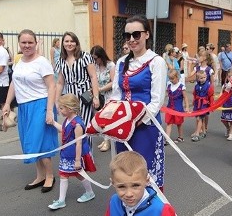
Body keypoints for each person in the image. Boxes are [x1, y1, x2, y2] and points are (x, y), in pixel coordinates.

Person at [109, 15, 168, 188]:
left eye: (136, 34)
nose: (132, 40)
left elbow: (157, 101)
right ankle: (129, 209)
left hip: (145, 126)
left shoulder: (156, 62)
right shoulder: (121, 62)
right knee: (124, 169)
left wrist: (136, 121)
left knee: (144, 170)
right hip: (123, 126)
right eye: (128, 36)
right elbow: (116, 94)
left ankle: (148, 211)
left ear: (147, 35)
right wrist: (109, 117)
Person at [1, 30, 58, 193]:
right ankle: (39, 176)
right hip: (24, 107)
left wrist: (49, 111)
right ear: (19, 43)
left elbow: (52, 86)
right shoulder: (19, 62)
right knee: (30, 143)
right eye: (23, 42)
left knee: (42, 142)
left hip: (40, 105)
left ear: (35, 43)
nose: (26, 45)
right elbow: (14, 83)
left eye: (30, 42)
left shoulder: (42, 62)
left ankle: (49, 176)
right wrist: (6, 104)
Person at [102, 151, 189, 216]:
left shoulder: (160, 210)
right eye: (121, 187)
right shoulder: (114, 202)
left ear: (147, 180)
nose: (129, 193)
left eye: (135, 185)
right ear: (113, 183)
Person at [47, 93, 97, 210]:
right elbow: (64, 131)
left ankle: (88, 193)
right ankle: (62, 200)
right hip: (67, 153)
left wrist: (78, 160)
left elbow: (78, 143)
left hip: (74, 155)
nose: (59, 110)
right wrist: (54, 123)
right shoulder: (68, 120)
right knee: (64, 175)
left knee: (78, 174)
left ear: (69, 108)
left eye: (61, 108)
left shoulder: (77, 124)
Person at [54, 31, 100, 128]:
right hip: (70, 97)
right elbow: (60, 83)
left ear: (76, 43)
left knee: (84, 124)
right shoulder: (60, 60)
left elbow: (93, 77)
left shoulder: (85, 56)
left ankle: (86, 143)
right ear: (63, 43)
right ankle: (74, 143)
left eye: (72, 41)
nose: (69, 44)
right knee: (72, 123)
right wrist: (57, 100)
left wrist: (96, 97)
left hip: (85, 95)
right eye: (66, 41)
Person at [190, 65, 213, 142]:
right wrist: (194, 101)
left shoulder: (208, 86)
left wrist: (211, 104)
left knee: (200, 118)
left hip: (204, 104)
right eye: (201, 78)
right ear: (198, 79)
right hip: (198, 104)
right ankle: (203, 132)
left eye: (204, 77)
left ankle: (197, 134)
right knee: (198, 118)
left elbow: (210, 95)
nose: (203, 79)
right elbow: (194, 94)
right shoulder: (196, 86)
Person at [164, 69, 187, 143]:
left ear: (177, 77)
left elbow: (185, 97)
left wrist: (186, 107)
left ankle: (180, 137)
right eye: (170, 78)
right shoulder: (169, 85)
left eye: (172, 78)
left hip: (178, 108)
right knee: (169, 123)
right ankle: (167, 139)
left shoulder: (181, 86)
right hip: (169, 107)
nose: (171, 80)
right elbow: (166, 94)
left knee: (179, 123)